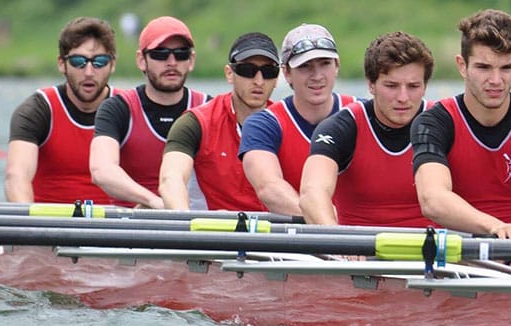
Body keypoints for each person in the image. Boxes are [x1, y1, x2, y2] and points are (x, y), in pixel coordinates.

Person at [410, 9, 511, 239]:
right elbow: (432, 199)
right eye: (483, 68)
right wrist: (497, 227)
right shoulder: (434, 122)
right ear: (462, 65)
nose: (496, 81)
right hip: (463, 258)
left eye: (506, 68)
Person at [298, 31, 435, 227]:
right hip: (359, 251)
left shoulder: (441, 123)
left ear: (425, 86)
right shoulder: (342, 127)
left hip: (430, 253)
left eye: (413, 86)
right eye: (391, 86)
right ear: (371, 85)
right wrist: (339, 244)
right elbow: (312, 194)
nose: (403, 97)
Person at [90, 16, 211, 208]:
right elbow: (101, 170)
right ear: (141, 60)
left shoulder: (208, 108)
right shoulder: (118, 108)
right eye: (160, 54)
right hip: (132, 226)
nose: (172, 62)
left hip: (190, 224)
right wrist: (154, 202)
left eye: (181, 54)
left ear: (191, 60)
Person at [239, 23, 356, 216]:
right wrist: (327, 222)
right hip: (298, 239)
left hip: (358, 236)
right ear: (286, 73)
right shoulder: (263, 124)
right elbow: (269, 188)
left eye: (325, 63)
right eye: (305, 66)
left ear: (337, 66)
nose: (317, 76)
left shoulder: (361, 114)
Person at [159, 32, 280, 211]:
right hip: (211, 234)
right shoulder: (194, 123)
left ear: (277, 78)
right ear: (229, 73)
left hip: (273, 235)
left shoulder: (284, 122)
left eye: (269, 72)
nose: (259, 81)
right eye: (248, 70)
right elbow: (170, 180)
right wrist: (184, 223)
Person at [5, 17, 119, 204]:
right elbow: (16, 176)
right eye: (78, 61)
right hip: (48, 227)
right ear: (61, 64)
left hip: (114, 229)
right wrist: (27, 227)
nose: (89, 72)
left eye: (99, 61)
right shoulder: (37, 110)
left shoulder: (128, 108)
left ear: (112, 64)